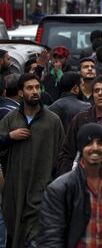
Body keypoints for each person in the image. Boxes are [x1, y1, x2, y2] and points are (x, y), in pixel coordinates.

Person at [0, 73, 65, 247]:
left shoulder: (52, 121)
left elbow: (62, 155)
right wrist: (9, 137)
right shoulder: (11, 120)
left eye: (37, 87)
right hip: (15, 192)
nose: (35, 91)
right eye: (30, 88)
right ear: (21, 92)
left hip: (41, 192)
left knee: (35, 240)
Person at [37, 123, 102, 247]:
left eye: (100, 143)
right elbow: (51, 238)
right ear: (80, 147)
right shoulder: (60, 189)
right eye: (89, 143)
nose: (95, 148)